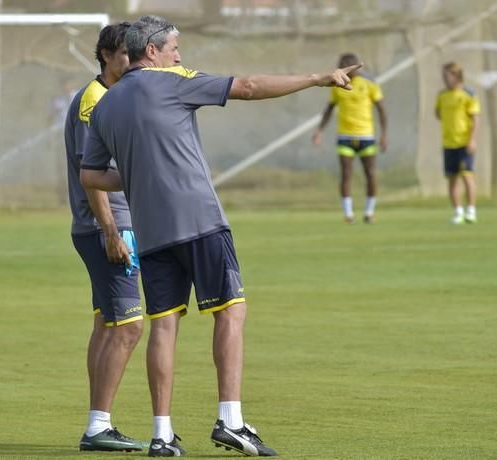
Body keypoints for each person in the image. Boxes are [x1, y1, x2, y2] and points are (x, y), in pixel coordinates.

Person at [80, 15, 361, 457]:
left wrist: (138, 175)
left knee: (164, 326)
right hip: (199, 219)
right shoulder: (171, 81)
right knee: (231, 312)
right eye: (173, 46)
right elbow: (246, 87)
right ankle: (231, 420)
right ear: (151, 51)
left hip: (151, 232)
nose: (179, 53)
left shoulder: (106, 105)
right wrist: (316, 78)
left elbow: (90, 174)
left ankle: (162, 434)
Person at [64, 22, 145, 452]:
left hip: (108, 226)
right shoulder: (94, 101)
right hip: (108, 228)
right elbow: (90, 174)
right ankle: (98, 427)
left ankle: (98, 421)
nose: (132, 62)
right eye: (125, 55)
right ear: (106, 56)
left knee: (107, 323)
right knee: (130, 327)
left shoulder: (111, 96)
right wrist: (112, 231)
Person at [312, 53, 387, 224]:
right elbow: (329, 110)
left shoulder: (370, 84)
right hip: (345, 136)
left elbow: (382, 110)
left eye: (345, 64)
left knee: (370, 174)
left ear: (354, 66)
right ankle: (348, 214)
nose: (342, 67)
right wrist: (319, 130)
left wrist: (384, 135)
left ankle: (369, 212)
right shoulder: (337, 86)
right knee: (346, 175)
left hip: (366, 135)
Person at [435, 62, 480, 224]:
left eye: (447, 75)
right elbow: (438, 113)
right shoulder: (442, 95)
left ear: (456, 75)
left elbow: (475, 119)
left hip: (464, 143)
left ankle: (471, 211)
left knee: (467, 176)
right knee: (452, 178)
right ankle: (458, 212)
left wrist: (472, 140)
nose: (444, 78)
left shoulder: (468, 94)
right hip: (448, 143)